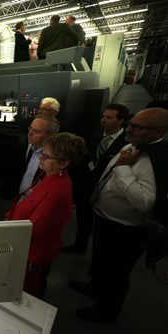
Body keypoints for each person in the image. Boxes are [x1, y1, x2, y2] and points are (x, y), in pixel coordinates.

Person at [72, 108, 168, 322]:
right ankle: (94, 287)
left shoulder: (155, 161)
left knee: (116, 273)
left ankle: (106, 310)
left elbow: (145, 202)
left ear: (158, 132)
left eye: (137, 126)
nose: (130, 128)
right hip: (105, 218)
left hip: (125, 229)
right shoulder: (130, 147)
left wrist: (123, 169)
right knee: (99, 261)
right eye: (131, 123)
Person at [6, 132, 87, 298]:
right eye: (42, 153)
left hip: (32, 253)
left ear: (64, 163)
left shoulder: (57, 189)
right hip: (23, 243)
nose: (40, 158)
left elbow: (34, 229)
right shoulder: (48, 174)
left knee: (26, 293)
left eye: (46, 156)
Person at [63, 104, 129, 254]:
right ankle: (79, 246)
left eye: (109, 117)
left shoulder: (126, 143)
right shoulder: (96, 136)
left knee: (102, 230)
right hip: (87, 187)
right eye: (103, 116)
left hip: (107, 190)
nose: (103, 120)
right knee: (83, 220)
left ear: (121, 121)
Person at [18, 115, 60, 196]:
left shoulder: (54, 159)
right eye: (30, 128)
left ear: (50, 135)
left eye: (36, 131)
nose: (30, 133)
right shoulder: (31, 147)